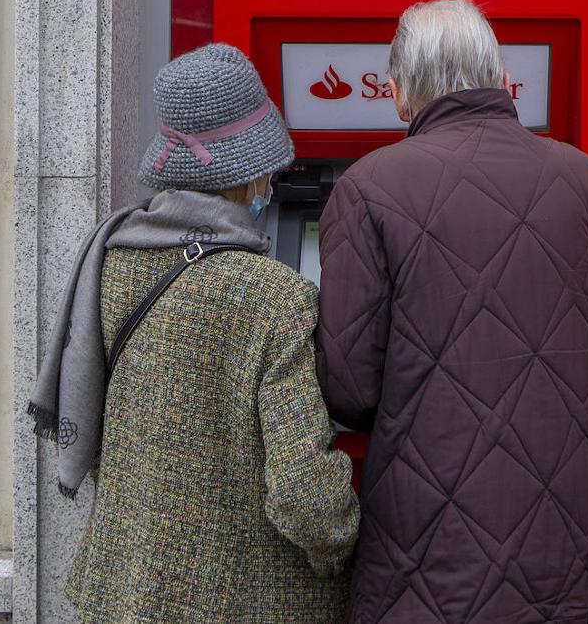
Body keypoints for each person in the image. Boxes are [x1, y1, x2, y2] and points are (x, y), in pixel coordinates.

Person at [316, 0, 588, 623]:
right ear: (500, 77)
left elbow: (349, 388)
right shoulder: (584, 179)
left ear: (399, 93)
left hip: (437, 535)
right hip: (577, 522)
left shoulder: (367, 188)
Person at [29, 43, 359, 623]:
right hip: (240, 603)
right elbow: (302, 495)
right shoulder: (274, 297)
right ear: (249, 174)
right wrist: (346, 545)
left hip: (125, 592)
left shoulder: (110, 261)